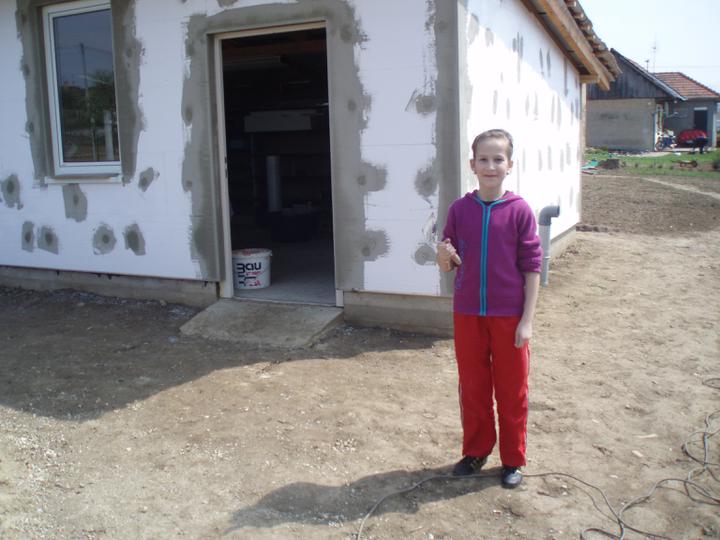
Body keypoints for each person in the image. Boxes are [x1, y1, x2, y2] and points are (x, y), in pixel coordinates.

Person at [437, 129, 541, 489]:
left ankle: (512, 459)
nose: (490, 165)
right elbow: (448, 264)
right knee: (473, 387)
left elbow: (532, 268)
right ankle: (476, 452)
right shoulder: (459, 210)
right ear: (472, 164)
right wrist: (443, 256)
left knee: (512, 390)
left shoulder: (519, 211)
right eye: (483, 159)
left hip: (509, 317)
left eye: (498, 159)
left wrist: (527, 321)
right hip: (468, 315)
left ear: (510, 165)